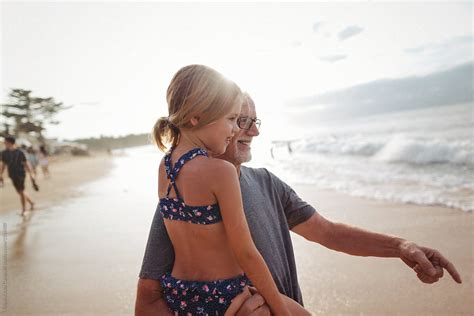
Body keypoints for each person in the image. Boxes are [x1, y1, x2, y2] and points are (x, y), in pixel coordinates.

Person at [136, 94, 462, 315]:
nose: (254, 131)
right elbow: (147, 304)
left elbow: (328, 232)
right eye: (241, 120)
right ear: (211, 121)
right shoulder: (182, 203)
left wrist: (402, 247)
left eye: (254, 120)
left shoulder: (266, 181)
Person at [144, 64, 301, 315]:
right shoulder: (220, 172)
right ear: (196, 117)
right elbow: (247, 253)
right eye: (230, 119)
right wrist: (280, 309)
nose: (234, 130)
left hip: (180, 294)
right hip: (223, 294)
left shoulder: (165, 167)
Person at [0, 136, 36, 215]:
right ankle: (32, 203)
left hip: (21, 173)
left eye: (5, 142)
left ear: (10, 143)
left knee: (21, 190)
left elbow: (26, 163)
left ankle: (24, 210)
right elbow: (3, 164)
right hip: (12, 174)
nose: (4, 144)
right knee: (19, 191)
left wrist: (31, 174)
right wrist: (1, 174)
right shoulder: (4, 153)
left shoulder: (20, 152)